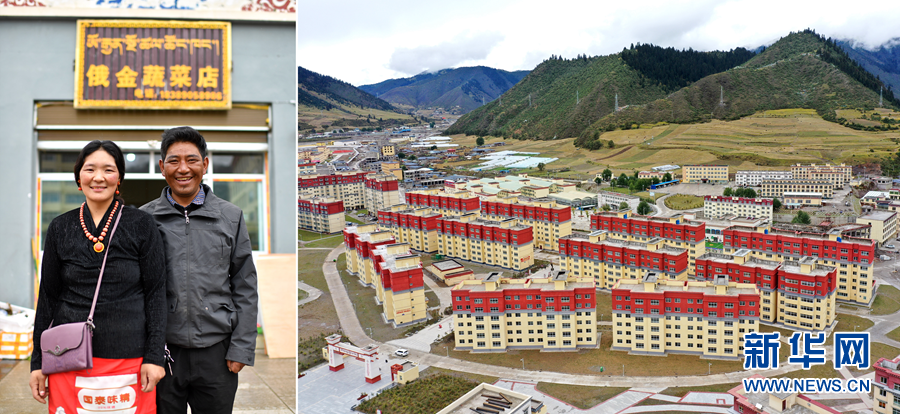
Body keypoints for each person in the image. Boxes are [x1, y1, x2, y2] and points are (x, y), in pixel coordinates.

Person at [30, 140, 167, 413]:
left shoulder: (141, 224)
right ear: (79, 178)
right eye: (90, 169)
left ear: (119, 178)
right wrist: (37, 362)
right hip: (67, 356)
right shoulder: (60, 227)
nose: (99, 177)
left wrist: (154, 357)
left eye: (108, 169)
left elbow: (156, 293)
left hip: (129, 356)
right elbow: (48, 297)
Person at [141, 126, 258, 414]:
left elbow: (245, 285)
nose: (183, 169)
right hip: (163, 352)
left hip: (218, 353)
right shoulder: (143, 219)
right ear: (162, 167)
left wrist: (241, 347)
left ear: (205, 164)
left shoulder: (230, 216)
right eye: (174, 161)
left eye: (191, 160)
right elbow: (135, 289)